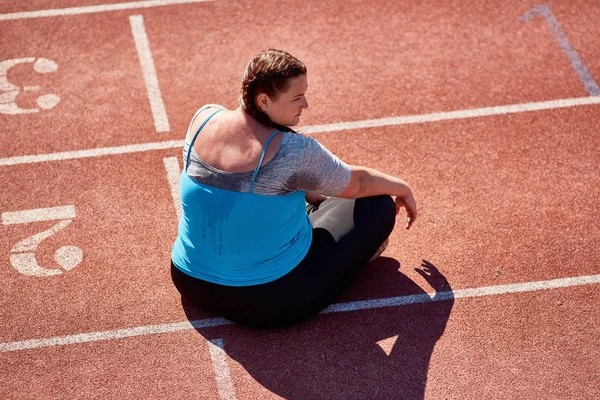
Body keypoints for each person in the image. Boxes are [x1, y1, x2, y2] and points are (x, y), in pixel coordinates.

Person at [171, 49, 417, 328]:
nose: (306, 104)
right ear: (264, 100)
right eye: (297, 98)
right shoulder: (294, 152)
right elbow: (358, 182)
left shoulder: (203, 118)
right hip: (267, 300)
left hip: (190, 280)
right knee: (378, 204)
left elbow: (223, 189)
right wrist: (403, 187)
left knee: (292, 196)